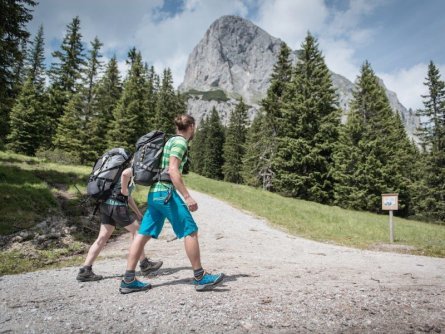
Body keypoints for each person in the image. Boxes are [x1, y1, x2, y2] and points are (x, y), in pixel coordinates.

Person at [119, 114, 224, 294]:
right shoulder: (180, 143)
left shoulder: (168, 142)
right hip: (165, 192)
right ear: (191, 126)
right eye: (194, 126)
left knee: (142, 234)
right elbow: (173, 170)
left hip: (154, 194)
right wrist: (187, 196)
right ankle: (200, 277)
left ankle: (128, 280)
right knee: (190, 230)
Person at [77, 167, 163, 282]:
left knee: (102, 237)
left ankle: (85, 270)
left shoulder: (115, 172)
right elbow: (124, 182)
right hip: (116, 205)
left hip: (106, 206)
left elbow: (128, 196)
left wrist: (137, 213)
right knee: (138, 231)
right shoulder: (131, 168)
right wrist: (123, 190)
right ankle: (144, 265)